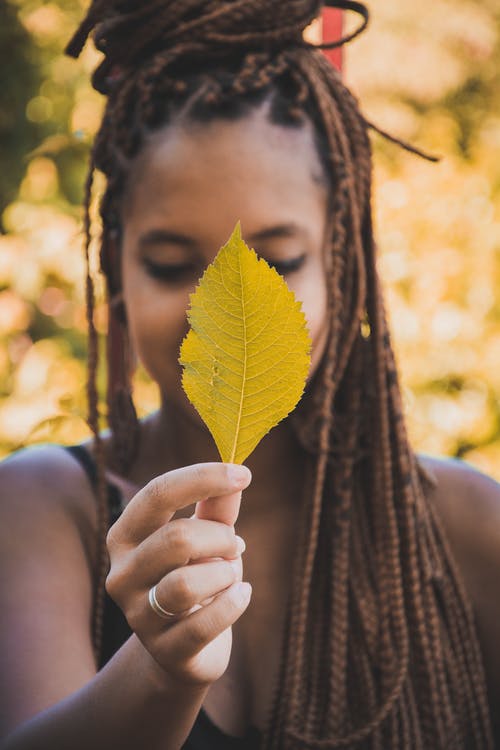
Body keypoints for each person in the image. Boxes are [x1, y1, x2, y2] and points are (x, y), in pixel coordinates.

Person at [1, 1, 499, 748]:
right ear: (115, 270)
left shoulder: (466, 525)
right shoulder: (40, 508)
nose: (220, 307)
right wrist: (161, 673)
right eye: (172, 265)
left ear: (343, 262)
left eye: (278, 262)